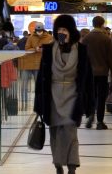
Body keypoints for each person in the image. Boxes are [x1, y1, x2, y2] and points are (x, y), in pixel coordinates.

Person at [33, 14, 94, 174]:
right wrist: (38, 104)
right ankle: (58, 164)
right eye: (59, 29)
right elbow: (41, 78)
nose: (62, 32)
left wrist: (90, 104)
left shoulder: (81, 51)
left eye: (65, 29)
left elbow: (88, 79)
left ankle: (72, 166)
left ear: (71, 31)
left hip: (72, 96)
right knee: (55, 132)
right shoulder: (48, 50)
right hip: (52, 96)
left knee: (70, 132)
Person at [82, 16, 112, 130]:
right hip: (102, 73)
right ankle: (100, 122)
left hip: (88, 73)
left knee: (91, 96)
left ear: (93, 24)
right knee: (101, 97)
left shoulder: (86, 38)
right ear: (102, 24)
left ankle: (90, 117)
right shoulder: (106, 39)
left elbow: (81, 57)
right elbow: (111, 58)